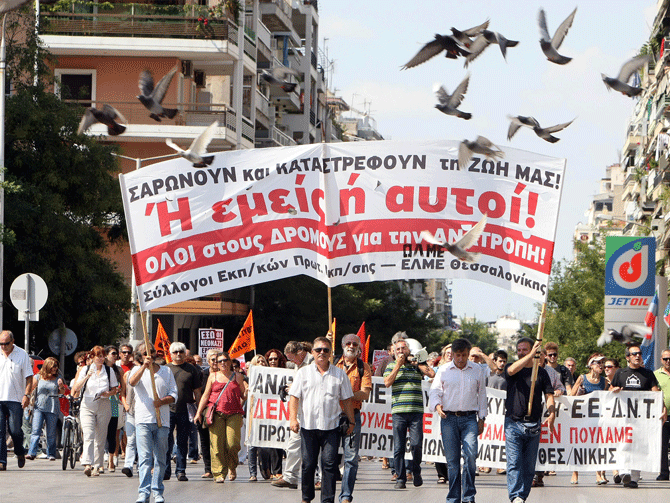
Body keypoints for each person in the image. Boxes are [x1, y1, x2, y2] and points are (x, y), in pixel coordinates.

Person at [289, 336, 355, 503]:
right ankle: (306, 497)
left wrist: (352, 421)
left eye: (326, 350)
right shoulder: (303, 373)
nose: (322, 353)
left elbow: (347, 400)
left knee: (329, 466)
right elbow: (294, 397)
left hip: (331, 427)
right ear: (312, 352)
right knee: (308, 465)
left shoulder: (340, 374)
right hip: (308, 426)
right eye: (318, 350)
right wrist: (292, 420)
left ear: (331, 353)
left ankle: (327, 499)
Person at [429, 338, 487, 503]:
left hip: (469, 418)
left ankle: (469, 496)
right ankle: (453, 497)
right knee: (452, 462)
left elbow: (482, 395)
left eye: (464, 355)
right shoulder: (444, 370)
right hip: (448, 418)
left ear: (468, 354)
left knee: (470, 456)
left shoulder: (477, 370)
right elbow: (435, 391)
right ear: (452, 354)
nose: (460, 359)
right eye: (457, 355)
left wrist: (482, 419)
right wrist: (437, 405)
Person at [504, 337, 556, 503]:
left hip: (533, 424)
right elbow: (511, 371)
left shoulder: (541, 372)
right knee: (514, 463)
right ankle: (515, 496)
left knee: (528, 466)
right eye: (519, 350)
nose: (521, 352)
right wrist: (531, 355)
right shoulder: (512, 368)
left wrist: (552, 412)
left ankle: (522, 496)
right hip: (513, 423)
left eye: (524, 349)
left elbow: (549, 395)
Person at [610, 344, 667, 488]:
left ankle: (634, 478)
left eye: (639, 353)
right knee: (623, 444)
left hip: (641, 419)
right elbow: (610, 389)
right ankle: (623, 472)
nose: (637, 356)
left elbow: (656, 393)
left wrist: (663, 408)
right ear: (627, 357)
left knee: (638, 446)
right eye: (634, 354)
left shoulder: (648, 373)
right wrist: (614, 390)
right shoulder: (620, 373)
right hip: (623, 418)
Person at [128, 343, 178, 503]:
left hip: (162, 421)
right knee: (144, 458)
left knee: (161, 458)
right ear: (139, 356)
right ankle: (143, 493)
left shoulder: (166, 371)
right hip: (143, 420)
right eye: (144, 353)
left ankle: (157, 491)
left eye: (151, 351)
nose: (149, 355)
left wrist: (163, 401)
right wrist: (144, 367)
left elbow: (174, 394)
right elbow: (132, 383)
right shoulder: (136, 370)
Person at [384, 337, 435, 489]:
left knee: (416, 444)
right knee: (399, 447)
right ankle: (400, 478)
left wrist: (418, 362)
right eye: (398, 349)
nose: (400, 351)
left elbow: (431, 373)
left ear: (408, 350)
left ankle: (416, 471)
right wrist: (398, 365)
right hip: (399, 412)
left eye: (403, 348)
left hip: (416, 412)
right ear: (394, 352)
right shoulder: (391, 365)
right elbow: (387, 382)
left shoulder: (416, 365)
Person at [195, 350, 247, 483]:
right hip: (216, 413)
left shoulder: (238, 377)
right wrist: (198, 413)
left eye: (225, 360)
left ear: (230, 362)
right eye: (220, 361)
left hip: (234, 414)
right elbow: (205, 395)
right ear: (216, 364)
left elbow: (243, 396)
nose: (223, 363)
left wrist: (248, 391)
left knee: (232, 444)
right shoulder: (212, 377)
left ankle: (232, 466)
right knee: (216, 445)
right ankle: (219, 473)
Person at [335, 334, 372, 503]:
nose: (351, 346)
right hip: (331, 416)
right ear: (342, 345)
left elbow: (364, 393)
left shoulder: (364, 367)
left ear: (359, 348)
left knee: (351, 459)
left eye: (354, 344)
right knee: (328, 457)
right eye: (348, 343)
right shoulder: (333, 363)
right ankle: (327, 492)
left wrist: (344, 395)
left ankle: (346, 496)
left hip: (353, 417)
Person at [272, 341, 314, 490]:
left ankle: (320, 477)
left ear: (301, 352)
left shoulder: (314, 361)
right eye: (288, 359)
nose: (291, 361)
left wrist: (295, 387)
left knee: (317, 447)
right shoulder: (298, 364)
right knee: (293, 444)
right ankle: (290, 477)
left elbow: (315, 385)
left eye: (292, 358)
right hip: (300, 411)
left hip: (314, 411)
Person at [72, 345, 119, 477]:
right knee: (88, 433)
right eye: (98, 356)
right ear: (91, 357)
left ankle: (98, 465)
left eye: (103, 356)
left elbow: (116, 389)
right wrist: (86, 376)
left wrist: (108, 393)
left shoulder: (110, 371)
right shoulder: (84, 369)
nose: (101, 358)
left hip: (105, 403)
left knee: (101, 436)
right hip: (87, 404)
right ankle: (87, 463)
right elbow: (76, 387)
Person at [165, 341, 202, 482]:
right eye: (175, 352)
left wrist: (199, 411)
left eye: (181, 351)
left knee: (182, 441)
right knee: (167, 441)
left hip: (185, 410)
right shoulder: (165, 369)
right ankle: (166, 470)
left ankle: (181, 471)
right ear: (171, 354)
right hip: (167, 410)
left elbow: (197, 392)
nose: (178, 354)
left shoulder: (191, 370)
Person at [569, 354, 607, 485]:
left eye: (603, 362)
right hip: (582, 418)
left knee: (597, 446)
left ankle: (598, 474)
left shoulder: (604, 381)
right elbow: (571, 396)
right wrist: (579, 393)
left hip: (597, 419)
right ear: (591, 365)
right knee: (579, 445)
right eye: (598, 363)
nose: (601, 365)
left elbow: (609, 397)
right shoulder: (582, 378)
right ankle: (575, 472)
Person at [0, 330, 33, 471]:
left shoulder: (22, 354)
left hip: (15, 399)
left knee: (15, 431)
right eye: (0, 344)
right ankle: (2, 461)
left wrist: (27, 395)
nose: (3, 346)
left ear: (12, 342)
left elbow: (29, 377)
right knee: (0, 432)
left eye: (6, 344)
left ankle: (19, 451)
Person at [26, 357, 65, 461]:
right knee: (36, 430)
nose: (55, 369)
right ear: (47, 366)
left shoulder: (58, 378)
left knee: (51, 432)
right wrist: (28, 401)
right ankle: (32, 452)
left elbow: (62, 392)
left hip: (52, 407)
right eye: (53, 366)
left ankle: (51, 453)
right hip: (39, 406)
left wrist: (61, 387)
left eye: (56, 366)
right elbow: (31, 389)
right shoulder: (38, 377)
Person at [195, 349, 220, 479]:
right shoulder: (201, 374)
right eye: (212, 359)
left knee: (218, 441)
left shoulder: (224, 374)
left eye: (218, 359)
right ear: (208, 361)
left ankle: (220, 468)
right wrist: (198, 410)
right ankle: (208, 469)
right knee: (205, 440)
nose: (215, 362)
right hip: (204, 411)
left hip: (221, 411)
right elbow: (197, 391)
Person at [263, 348, 286, 480]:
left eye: (275, 358)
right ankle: (266, 470)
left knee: (277, 442)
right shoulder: (261, 373)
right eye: (270, 359)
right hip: (264, 412)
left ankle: (277, 470)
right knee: (264, 443)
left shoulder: (284, 373)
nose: (272, 361)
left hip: (279, 411)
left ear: (279, 360)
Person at [246, 354, 269, 481]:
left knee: (264, 444)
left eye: (263, 361)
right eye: (258, 361)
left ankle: (265, 468)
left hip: (266, 413)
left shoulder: (272, 377)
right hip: (252, 413)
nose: (261, 363)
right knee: (252, 444)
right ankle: (252, 473)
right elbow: (244, 395)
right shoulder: (248, 379)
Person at [122, 350, 143, 478]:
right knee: (130, 439)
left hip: (143, 411)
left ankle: (141, 466)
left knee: (142, 440)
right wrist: (125, 405)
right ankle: (127, 465)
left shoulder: (148, 373)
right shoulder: (126, 373)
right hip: (128, 410)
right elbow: (122, 393)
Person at [104, 345, 124, 473]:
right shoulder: (100, 369)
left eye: (116, 353)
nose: (115, 356)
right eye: (112, 353)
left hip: (114, 402)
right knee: (100, 431)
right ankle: (100, 459)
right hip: (101, 401)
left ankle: (112, 459)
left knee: (114, 431)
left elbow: (123, 386)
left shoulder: (119, 370)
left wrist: (119, 392)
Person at [654, 348, 670, 481]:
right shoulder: (655, 375)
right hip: (663, 415)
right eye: (665, 359)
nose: (668, 361)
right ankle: (664, 472)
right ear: (661, 360)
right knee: (662, 445)